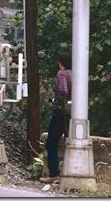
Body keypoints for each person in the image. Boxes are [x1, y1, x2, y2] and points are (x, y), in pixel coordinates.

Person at [40, 54, 72, 184]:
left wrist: (56, 102)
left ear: (61, 63)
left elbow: (63, 90)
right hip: (74, 112)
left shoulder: (62, 73)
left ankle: (54, 174)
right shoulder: (76, 73)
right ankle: (69, 172)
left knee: (51, 142)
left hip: (61, 111)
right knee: (70, 141)